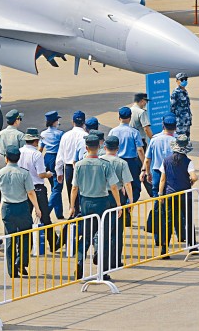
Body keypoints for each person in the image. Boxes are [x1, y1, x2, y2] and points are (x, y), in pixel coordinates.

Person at [70, 133, 120, 279]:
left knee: (85, 236)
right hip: (102, 202)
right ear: (99, 147)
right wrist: (118, 204)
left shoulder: (79, 165)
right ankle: (103, 271)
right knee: (103, 236)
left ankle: (79, 262)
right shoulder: (105, 164)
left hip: (86, 202)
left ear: (86, 148)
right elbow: (114, 186)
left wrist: (72, 206)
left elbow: (74, 188)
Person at [0, 147, 40, 277]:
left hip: (7, 207)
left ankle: (11, 270)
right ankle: (21, 261)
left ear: (6, 158)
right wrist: (37, 208)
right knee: (26, 236)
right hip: (22, 207)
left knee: (10, 238)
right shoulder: (24, 173)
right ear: (18, 158)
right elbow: (30, 192)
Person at [157, 136, 198, 256]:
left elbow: (162, 179)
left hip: (170, 194)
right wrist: (190, 182)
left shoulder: (166, 160)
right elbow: (194, 177)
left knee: (168, 221)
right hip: (185, 195)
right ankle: (192, 246)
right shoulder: (188, 162)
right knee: (188, 220)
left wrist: (160, 194)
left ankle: (164, 249)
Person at [19, 128, 57, 249]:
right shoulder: (37, 154)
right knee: (45, 216)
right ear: (35, 141)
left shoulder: (19, 152)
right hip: (37, 188)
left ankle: (26, 245)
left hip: (23, 188)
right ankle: (53, 243)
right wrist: (49, 174)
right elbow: (41, 174)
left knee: (25, 218)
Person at [100, 135, 133, 268]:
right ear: (118, 148)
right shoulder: (121, 163)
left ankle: (102, 256)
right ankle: (115, 260)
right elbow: (127, 184)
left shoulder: (99, 161)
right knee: (117, 230)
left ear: (104, 147)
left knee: (102, 227)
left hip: (100, 195)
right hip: (117, 196)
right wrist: (130, 201)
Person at [110, 106, 144, 203]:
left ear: (119, 118)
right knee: (134, 187)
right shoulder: (134, 132)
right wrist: (144, 165)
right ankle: (129, 203)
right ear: (130, 118)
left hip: (117, 161)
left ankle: (121, 204)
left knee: (119, 185)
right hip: (131, 163)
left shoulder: (113, 131)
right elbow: (140, 150)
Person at [55, 110, 88, 206]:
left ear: (73, 122)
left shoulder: (65, 136)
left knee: (71, 193)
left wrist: (59, 172)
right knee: (83, 193)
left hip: (69, 167)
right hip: (82, 168)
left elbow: (60, 155)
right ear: (84, 123)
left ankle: (73, 213)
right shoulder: (86, 136)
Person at [141, 115, 177, 197]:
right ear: (175, 127)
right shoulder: (178, 140)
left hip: (157, 173)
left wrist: (147, 172)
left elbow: (147, 159)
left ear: (163, 126)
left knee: (157, 197)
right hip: (173, 173)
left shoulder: (154, 139)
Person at [40, 110, 65, 219]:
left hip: (47, 158)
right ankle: (47, 211)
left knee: (54, 187)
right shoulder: (60, 134)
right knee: (57, 188)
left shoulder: (43, 134)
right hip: (56, 158)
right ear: (55, 122)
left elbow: (40, 149)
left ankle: (59, 213)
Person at [170, 73, 192, 137]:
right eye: (182, 79)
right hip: (180, 123)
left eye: (186, 79)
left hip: (187, 121)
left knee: (187, 141)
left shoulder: (185, 91)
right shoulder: (176, 92)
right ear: (177, 81)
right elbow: (172, 108)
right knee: (180, 141)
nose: (184, 81)